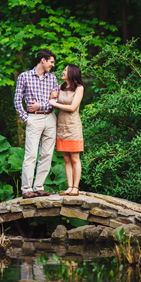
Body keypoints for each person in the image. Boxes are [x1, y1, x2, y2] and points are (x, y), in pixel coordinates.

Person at [13, 49, 59, 199]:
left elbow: (56, 101)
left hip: (50, 118)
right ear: (43, 61)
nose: (53, 65)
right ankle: (27, 189)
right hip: (33, 118)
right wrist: (25, 118)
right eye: (51, 62)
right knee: (31, 154)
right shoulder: (24, 76)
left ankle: (39, 187)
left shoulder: (52, 78)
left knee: (47, 154)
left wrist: (42, 105)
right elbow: (17, 100)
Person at [50, 65, 85, 196]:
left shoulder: (79, 88)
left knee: (75, 158)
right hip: (61, 127)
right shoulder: (60, 87)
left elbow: (72, 107)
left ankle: (76, 187)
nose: (63, 72)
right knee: (66, 159)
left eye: (65, 70)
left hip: (73, 127)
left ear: (72, 73)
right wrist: (52, 96)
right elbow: (51, 98)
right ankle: (69, 187)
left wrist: (54, 103)